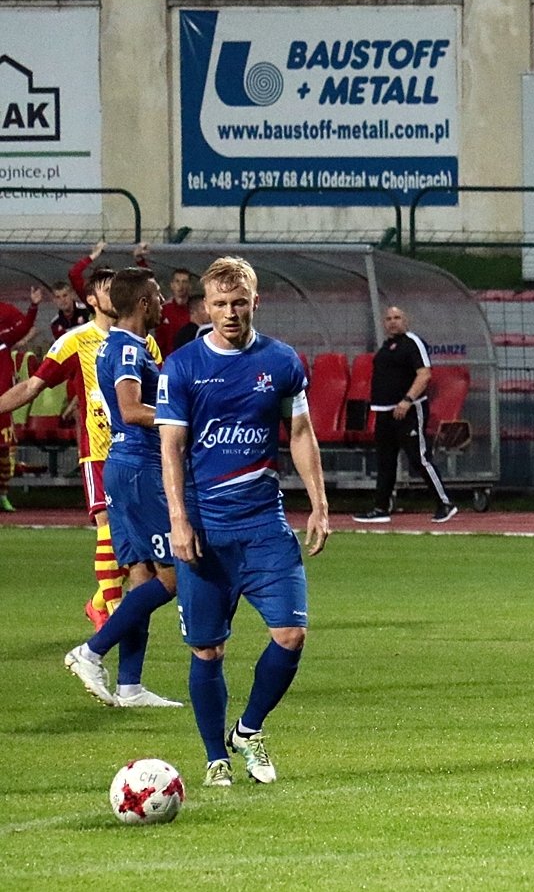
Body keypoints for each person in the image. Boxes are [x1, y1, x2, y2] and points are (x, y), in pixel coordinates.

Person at [155, 256, 330, 786]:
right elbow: (171, 448)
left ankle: (248, 730)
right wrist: (179, 519)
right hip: (206, 530)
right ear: (205, 307)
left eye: (238, 302)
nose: (229, 312)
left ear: (256, 302)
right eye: (219, 304)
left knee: (291, 633)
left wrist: (319, 503)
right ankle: (216, 758)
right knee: (207, 648)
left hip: (264, 526)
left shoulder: (281, 361)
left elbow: (301, 433)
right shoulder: (182, 366)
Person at [63, 268, 184, 708]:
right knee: (172, 578)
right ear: (143, 303)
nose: (163, 302)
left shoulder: (114, 345)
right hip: (139, 469)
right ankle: (91, 651)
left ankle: (130, 686)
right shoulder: (130, 349)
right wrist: (180, 417)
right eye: (158, 295)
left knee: (141, 578)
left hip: (121, 465)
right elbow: (131, 410)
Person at [0, 266, 137, 627]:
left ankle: (97, 603)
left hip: (139, 453)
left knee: (138, 541)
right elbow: (32, 386)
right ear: (91, 299)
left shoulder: (140, 341)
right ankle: (114, 617)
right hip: (99, 451)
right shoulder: (76, 340)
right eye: (108, 288)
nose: (116, 294)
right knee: (107, 528)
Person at [352, 306, 457, 525]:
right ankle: (381, 508)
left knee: (419, 457)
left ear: (405, 320)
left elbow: (424, 374)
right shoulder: (385, 347)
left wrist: (407, 400)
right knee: (385, 461)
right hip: (384, 412)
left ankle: (445, 503)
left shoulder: (412, 343)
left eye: (397, 317)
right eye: (389, 318)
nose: (393, 322)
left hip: (408, 410)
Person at [0, 286, 43, 512]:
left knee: (4, 450)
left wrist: (34, 306)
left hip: (3, 402)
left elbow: (24, 327)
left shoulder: (4, 336)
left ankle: (3, 494)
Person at [154, 267, 194, 356]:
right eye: (177, 281)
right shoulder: (163, 310)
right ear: (172, 285)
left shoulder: (195, 311)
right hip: (167, 359)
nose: (181, 286)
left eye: (184, 282)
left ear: (190, 286)